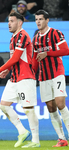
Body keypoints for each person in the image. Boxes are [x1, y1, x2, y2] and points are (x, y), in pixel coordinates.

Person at [0, 12, 40, 148]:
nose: (9, 23)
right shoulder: (13, 38)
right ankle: (22, 131)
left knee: (28, 109)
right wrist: (8, 70)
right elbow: (15, 60)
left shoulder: (23, 35)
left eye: (12, 21)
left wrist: (0, 69)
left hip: (25, 78)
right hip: (14, 78)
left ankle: (36, 141)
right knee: (3, 105)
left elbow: (15, 58)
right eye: (8, 21)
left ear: (20, 23)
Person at [32, 9, 69, 147]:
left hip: (57, 73)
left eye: (41, 19)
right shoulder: (35, 38)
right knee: (51, 107)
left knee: (60, 103)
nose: (38, 22)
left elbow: (66, 50)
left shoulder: (56, 33)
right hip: (44, 77)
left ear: (47, 20)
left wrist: (47, 53)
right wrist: (32, 74)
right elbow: (35, 59)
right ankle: (62, 139)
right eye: (36, 19)